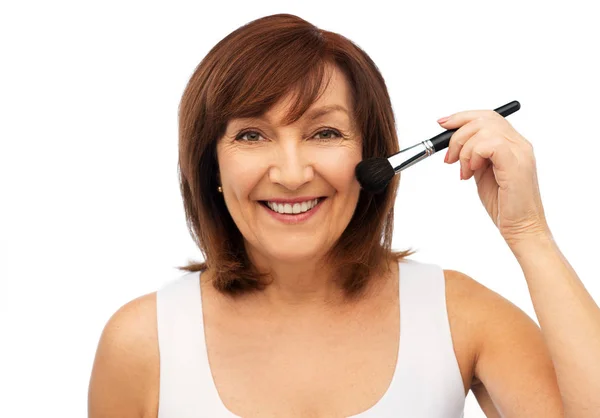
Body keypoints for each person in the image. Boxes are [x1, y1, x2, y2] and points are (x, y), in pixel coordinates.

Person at [87, 13, 599, 418]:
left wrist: (528, 232)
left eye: (325, 133)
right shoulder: (141, 341)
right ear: (211, 165)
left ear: (372, 155)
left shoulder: (460, 315)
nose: (290, 174)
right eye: (251, 135)